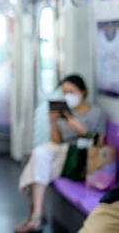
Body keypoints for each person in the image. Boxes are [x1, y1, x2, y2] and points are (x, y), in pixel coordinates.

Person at [15, 75, 108, 232]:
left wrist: (76, 126)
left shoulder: (96, 113)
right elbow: (56, 141)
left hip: (80, 153)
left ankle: (36, 213)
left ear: (83, 92)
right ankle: (37, 212)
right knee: (39, 154)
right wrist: (52, 122)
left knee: (39, 164)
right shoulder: (62, 111)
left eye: (71, 92)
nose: (67, 96)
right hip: (62, 149)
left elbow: (99, 143)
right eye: (64, 92)